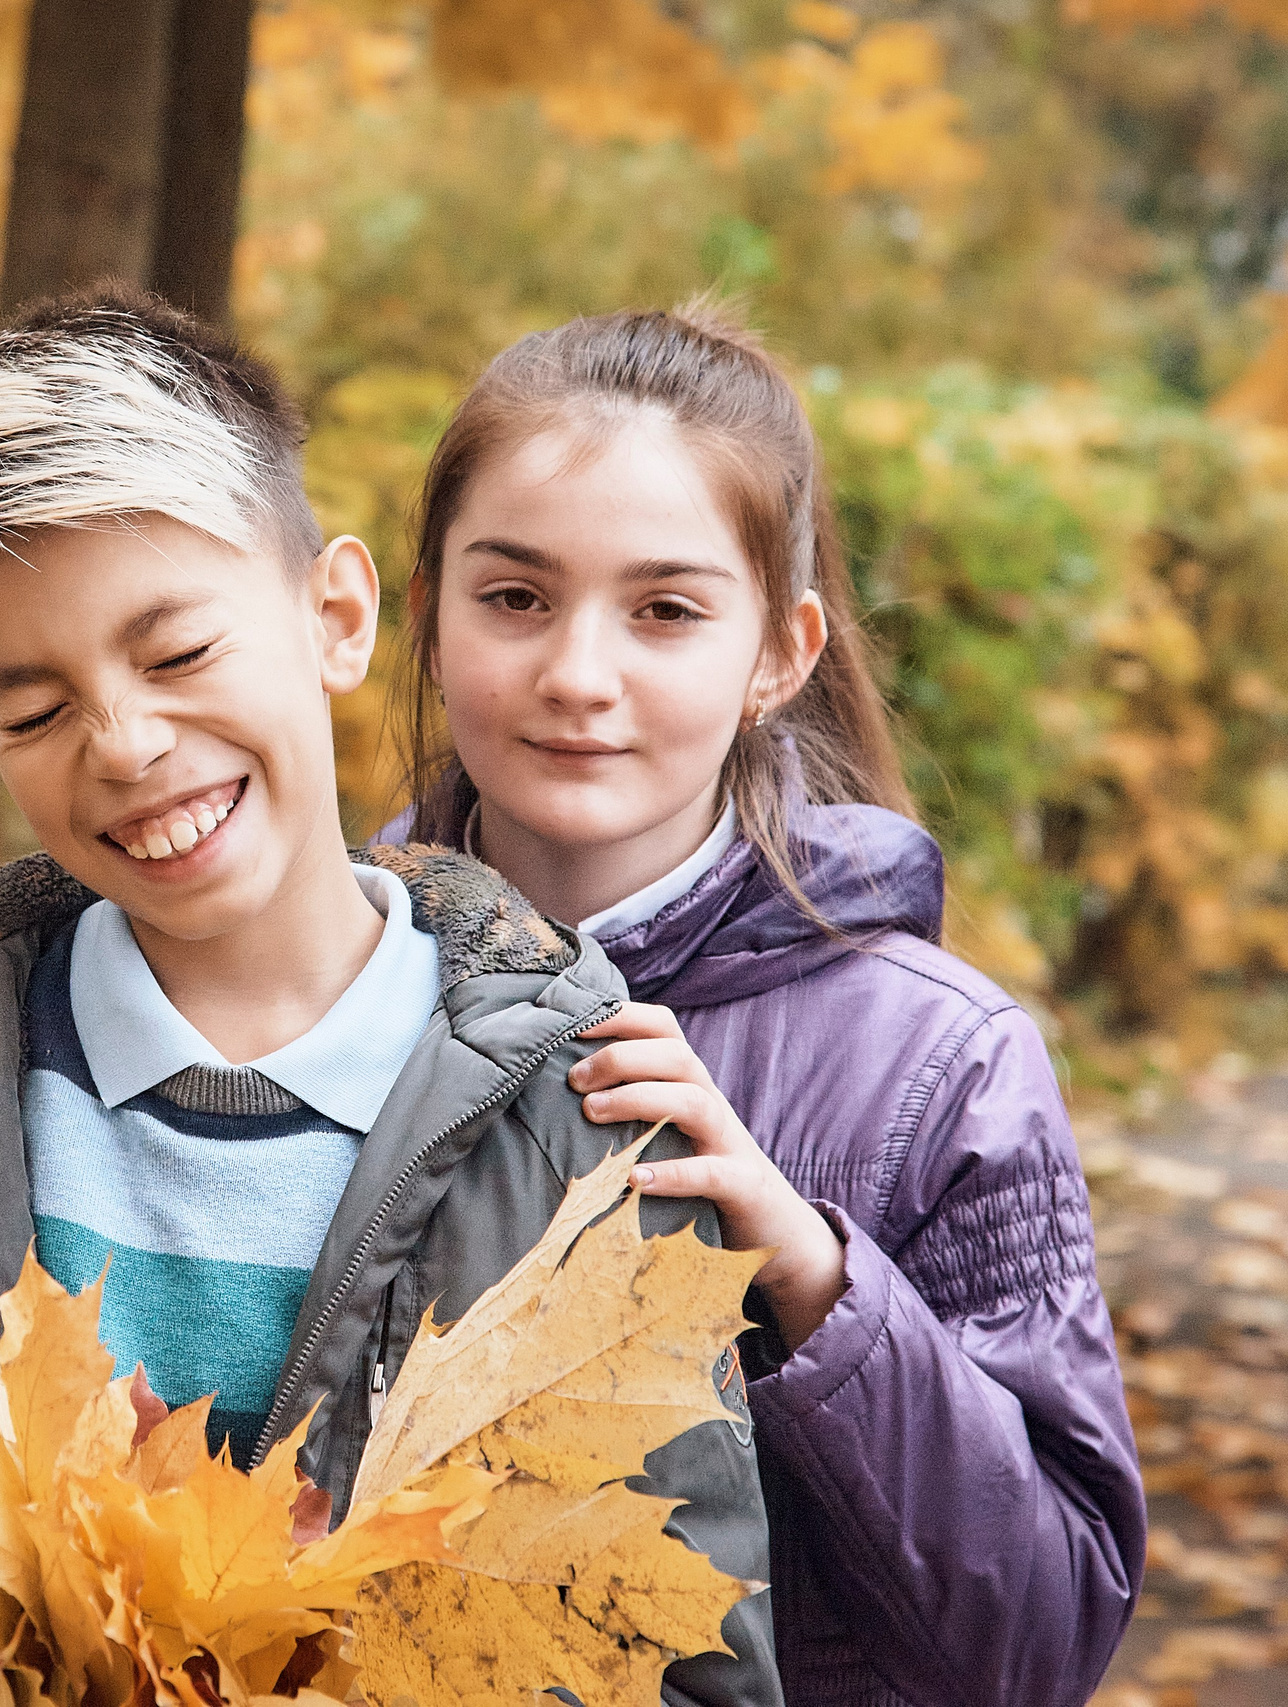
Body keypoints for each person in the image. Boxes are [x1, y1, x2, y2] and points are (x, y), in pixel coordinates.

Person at [0, 287, 783, 1707]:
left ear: (338, 616)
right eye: (36, 706)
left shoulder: (579, 1113)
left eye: (178, 654)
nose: (126, 744)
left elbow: (677, 1655)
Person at [377, 302, 1145, 1707]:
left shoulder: (938, 1065)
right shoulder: (308, 990)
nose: (577, 674)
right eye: (515, 597)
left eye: (664, 610)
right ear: (425, 614)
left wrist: (815, 1283)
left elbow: (1040, 1647)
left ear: (779, 655)